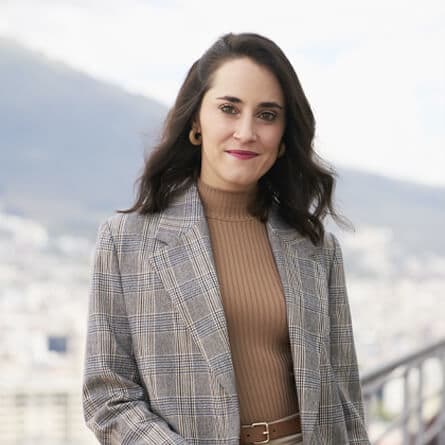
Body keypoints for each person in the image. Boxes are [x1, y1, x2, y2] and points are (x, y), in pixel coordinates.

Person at [82, 32, 370, 445]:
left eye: (267, 115)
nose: (246, 131)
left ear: (284, 135)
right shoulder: (126, 241)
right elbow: (107, 397)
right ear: (196, 121)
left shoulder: (315, 246)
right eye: (229, 109)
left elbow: (345, 396)